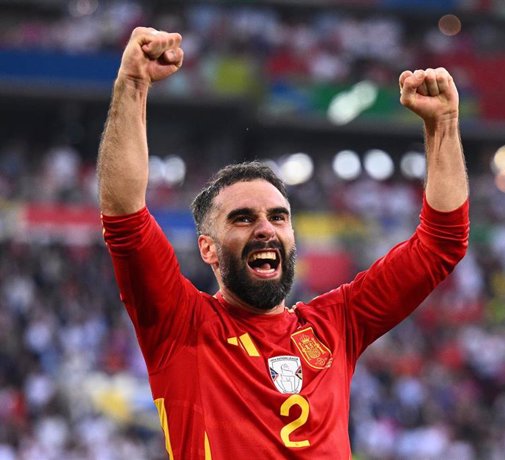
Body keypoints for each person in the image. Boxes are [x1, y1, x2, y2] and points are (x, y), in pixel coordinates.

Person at [97, 27, 470, 459]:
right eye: (242, 218)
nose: (265, 228)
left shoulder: (337, 325)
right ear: (208, 249)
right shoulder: (180, 324)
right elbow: (124, 215)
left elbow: (441, 244)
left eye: (278, 217)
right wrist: (133, 84)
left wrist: (443, 125)